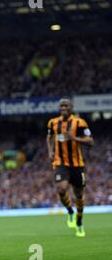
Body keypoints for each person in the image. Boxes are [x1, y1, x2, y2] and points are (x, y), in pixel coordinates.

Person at [46, 98, 93, 237]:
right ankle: (70, 212)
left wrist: (74, 138)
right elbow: (49, 137)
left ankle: (79, 222)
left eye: (66, 105)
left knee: (78, 194)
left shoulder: (80, 122)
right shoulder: (53, 122)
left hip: (77, 165)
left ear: (71, 107)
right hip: (60, 163)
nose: (63, 107)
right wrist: (50, 151)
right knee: (61, 189)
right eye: (61, 105)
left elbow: (90, 141)